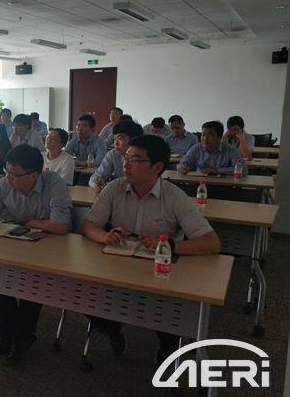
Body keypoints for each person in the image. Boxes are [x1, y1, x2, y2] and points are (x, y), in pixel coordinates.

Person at [82, 135, 220, 365]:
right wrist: (105, 235)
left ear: (157, 167)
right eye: (126, 157)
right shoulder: (115, 188)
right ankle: (112, 329)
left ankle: (168, 344)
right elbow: (88, 224)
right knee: (84, 294)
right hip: (116, 267)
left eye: (135, 160)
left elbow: (211, 242)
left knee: (170, 312)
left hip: (160, 274)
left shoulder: (174, 196)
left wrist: (169, 245)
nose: (126, 164)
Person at [0, 145, 72, 362]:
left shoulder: (54, 183)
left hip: (48, 247)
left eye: (14, 173)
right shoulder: (6, 183)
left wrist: (27, 223)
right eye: (7, 171)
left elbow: (61, 226)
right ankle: (8, 330)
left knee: (32, 279)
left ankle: (22, 335)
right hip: (15, 241)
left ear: (33, 175)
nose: (8, 177)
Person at [89, 121, 143, 189]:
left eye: (120, 138)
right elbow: (97, 175)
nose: (115, 143)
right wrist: (96, 183)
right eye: (114, 139)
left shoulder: (145, 158)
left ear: (134, 139)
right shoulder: (113, 154)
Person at [178, 121, 246, 175]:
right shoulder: (196, 148)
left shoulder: (230, 150)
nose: (205, 138)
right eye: (203, 135)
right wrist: (182, 168)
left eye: (210, 135)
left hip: (223, 185)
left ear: (219, 137)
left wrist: (216, 170)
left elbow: (244, 170)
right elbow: (183, 163)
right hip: (200, 183)